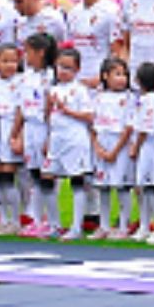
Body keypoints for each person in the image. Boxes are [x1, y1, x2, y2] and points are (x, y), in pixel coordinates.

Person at [45, 48, 96, 241]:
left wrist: (67, 110)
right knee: (47, 178)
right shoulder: (53, 89)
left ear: (77, 69)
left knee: (76, 180)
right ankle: (55, 224)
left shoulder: (80, 90)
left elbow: (89, 115)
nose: (63, 71)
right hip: (56, 138)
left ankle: (76, 227)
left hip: (74, 138)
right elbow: (49, 116)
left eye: (68, 68)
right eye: (60, 66)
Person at [12, 34, 56, 235]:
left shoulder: (51, 76)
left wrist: (50, 136)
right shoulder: (26, 76)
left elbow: (50, 108)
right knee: (33, 175)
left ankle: (53, 221)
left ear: (41, 52)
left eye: (28, 51)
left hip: (43, 127)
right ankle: (37, 218)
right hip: (29, 127)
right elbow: (21, 106)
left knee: (47, 175)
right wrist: (16, 132)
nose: (25, 55)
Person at [91, 58, 137, 239]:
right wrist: (97, 147)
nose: (122, 78)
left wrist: (115, 151)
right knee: (103, 187)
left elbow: (128, 126)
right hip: (103, 142)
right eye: (117, 74)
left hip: (120, 145)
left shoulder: (129, 98)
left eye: (124, 74)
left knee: (122, 186)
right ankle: (103, 225)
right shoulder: (98, 97)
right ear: (105, 76)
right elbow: (92, 124)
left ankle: (123, 225)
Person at [0, 44, 24, 235]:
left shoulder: (20, 82)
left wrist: (17, 135)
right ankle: (2, 217)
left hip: (10, 125)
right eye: (5, 61)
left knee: (9, 174)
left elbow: (21, 110)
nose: (10, 65)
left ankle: (15, 219)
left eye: (14, 61)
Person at [66, 0, 121, 87]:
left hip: (98, 82)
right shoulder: (73, 12)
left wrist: (103, 77)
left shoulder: (111, 11)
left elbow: (118, 51)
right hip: (76, 81)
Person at [131, 62, 154, 244]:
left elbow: (146, 128)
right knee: (143, 189)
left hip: (151, 149)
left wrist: (135, 147)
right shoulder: (146, 98)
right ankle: (144, 225)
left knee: (152, 188)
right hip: (148, 149)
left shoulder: (151, 100)